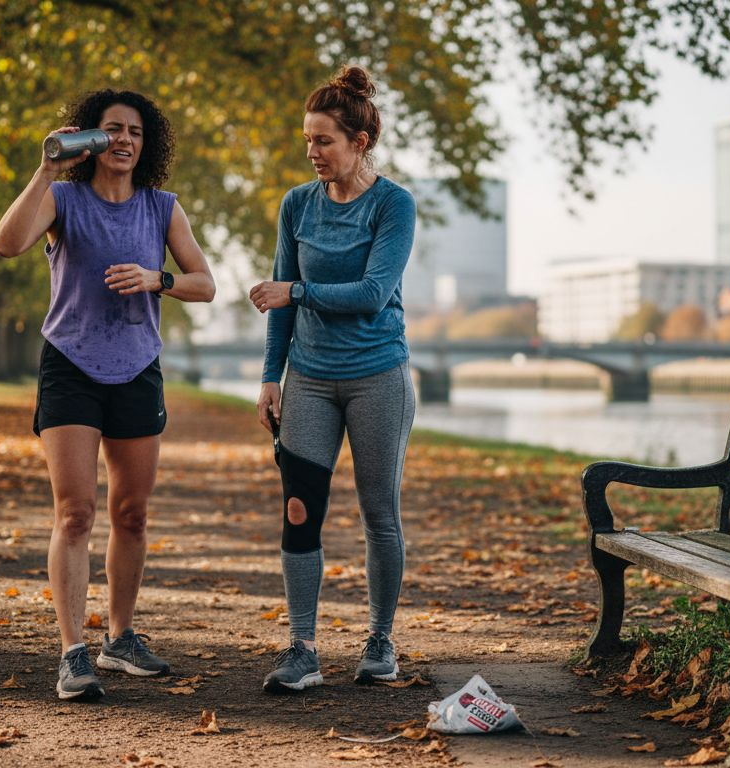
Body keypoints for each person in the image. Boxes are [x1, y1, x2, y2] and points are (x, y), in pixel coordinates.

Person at [0, 89, 216, 701]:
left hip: (137, 367)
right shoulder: (62, 198)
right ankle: (73, 653)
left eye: (135, 132)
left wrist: (156, 279)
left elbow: (206, 284)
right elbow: (6, 244)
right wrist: (45, 170)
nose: (124, 140)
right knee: (76, 513)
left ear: (147, 145)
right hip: (70, 365)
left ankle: (120, 638)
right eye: (112, 129)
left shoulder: (162, 207)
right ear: (90, 138)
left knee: (131, 514)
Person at [248, 65, 417, 693]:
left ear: (360, 142)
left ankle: (379, 639)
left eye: (325, 141)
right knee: (299, 510)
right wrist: (272, 377)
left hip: (378, 376)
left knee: (380, 515)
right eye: (307, 141)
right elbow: (280, 305)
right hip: (310, 381)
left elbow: (374, 294)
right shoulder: (297, 204)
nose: (313, 152)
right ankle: (302, 647)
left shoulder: (393, 204)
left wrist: (296, 290)